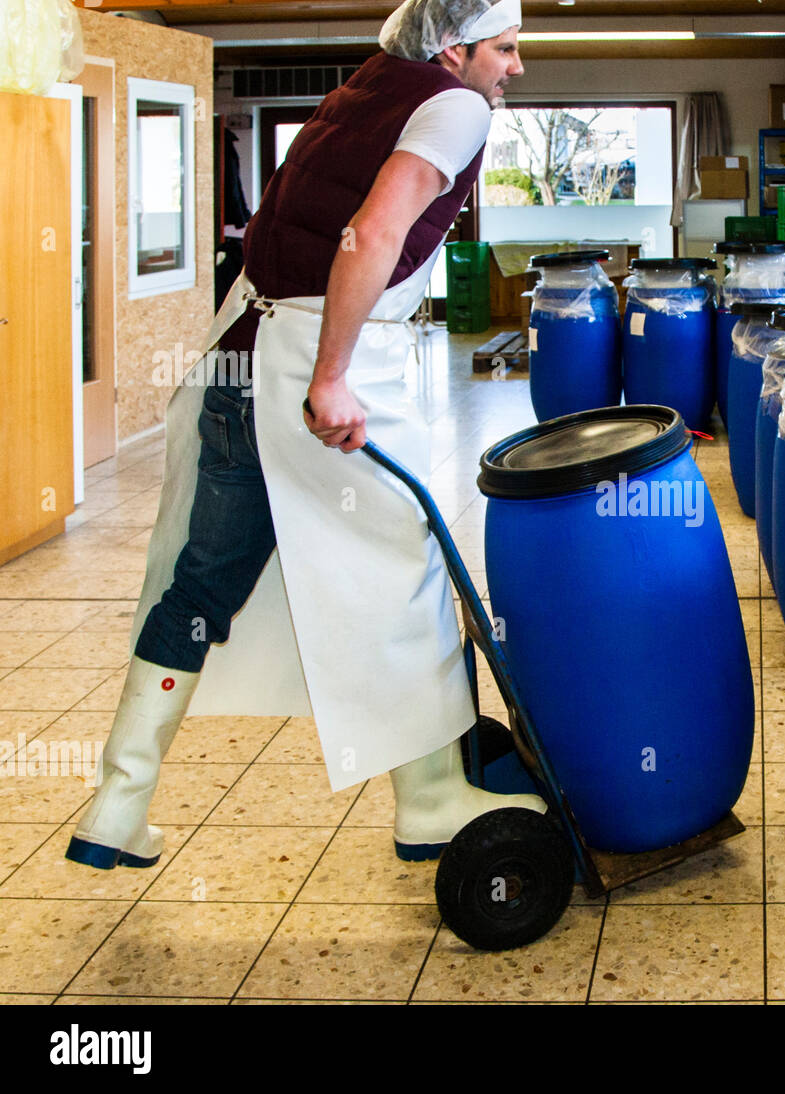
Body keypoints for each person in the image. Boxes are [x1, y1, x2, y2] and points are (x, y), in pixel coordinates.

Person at [67, 0, 545, 871]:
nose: (514, 67)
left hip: (240, 360)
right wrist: (329, 375)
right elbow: (374, 231)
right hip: (312, 367)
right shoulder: (455, 104)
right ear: (454, 45)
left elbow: (281, 233)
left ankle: (116, 803)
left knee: (201, 583)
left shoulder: (357, 91)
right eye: (505, 48)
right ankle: (432, 801)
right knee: (408, 572)